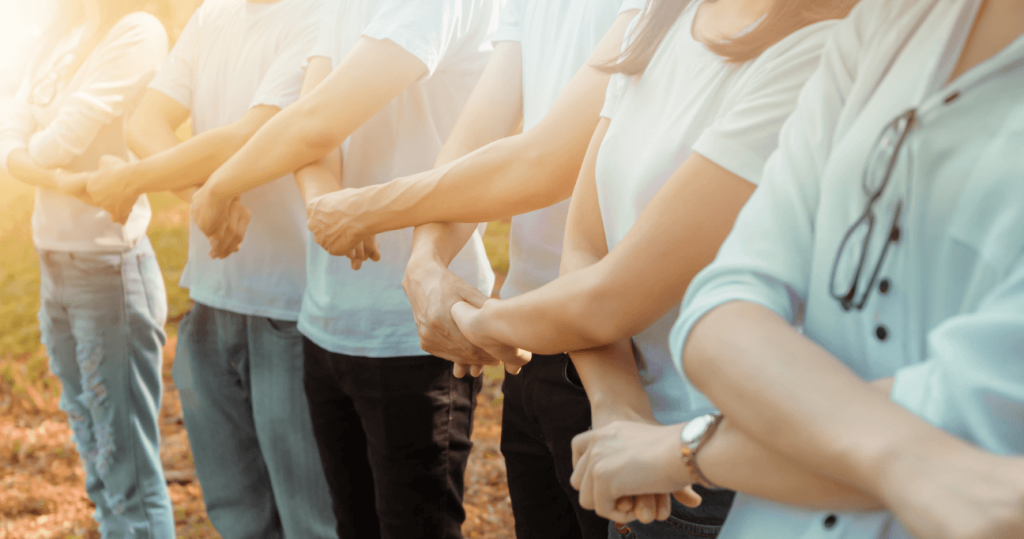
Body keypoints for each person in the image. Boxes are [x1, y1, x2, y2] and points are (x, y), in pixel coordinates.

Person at [568, 0, 1024, 538]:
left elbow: (987, 439)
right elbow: (720, 311)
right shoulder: (884, 26)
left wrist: (684, 448)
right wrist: (915, 460)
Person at [444, 0, 858, 536]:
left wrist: (473, 321)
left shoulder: (816, 48)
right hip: (644, 447)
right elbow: (587, 244)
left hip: (733, 467)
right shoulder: (656, 22)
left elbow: (612, 295)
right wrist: (618, 404)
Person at [300, 1, 645, 536]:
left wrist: (369, 207)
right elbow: (474, 138)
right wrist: (426, 262)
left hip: (632, 355)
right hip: (533, 342)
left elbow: (549, 159)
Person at [190, 1, 500, 536]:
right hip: (327, 322)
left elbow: (313, 125)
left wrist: (220, 185)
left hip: (412, 328)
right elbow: (308, 126)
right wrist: (327, 208)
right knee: (351, 526)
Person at [79, 0, 335, 536]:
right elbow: (144, 122)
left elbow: (253, 135)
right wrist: (205, 199)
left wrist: (133, 181)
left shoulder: (321, 16)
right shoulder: (212, 14)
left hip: (290, 308)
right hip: (210, 305)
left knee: (310, 522)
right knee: (238, 518)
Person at [0, 0, 172, 536]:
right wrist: (62, 178)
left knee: (128, 473)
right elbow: (10, 129)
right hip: (54, 262)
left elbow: (57, 141)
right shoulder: (65, 32)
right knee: (95, 455)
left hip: (107, 269)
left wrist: (33, 159)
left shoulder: (138, 32)